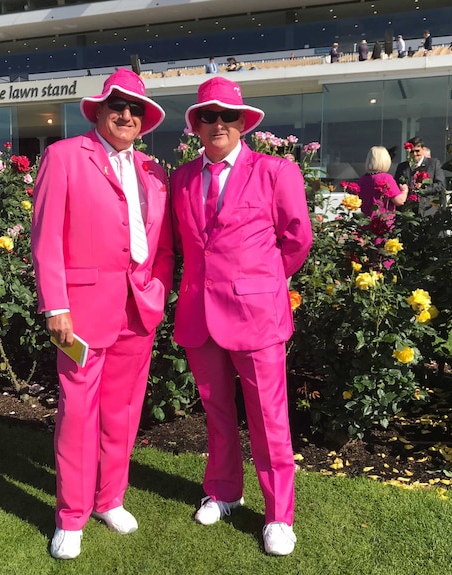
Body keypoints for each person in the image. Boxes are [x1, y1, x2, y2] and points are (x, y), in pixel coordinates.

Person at [31, 68, 173, 561]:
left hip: (139, 309)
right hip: (80, 313)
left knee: (123, 413)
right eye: (118, 105)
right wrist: (56, 304)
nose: (126, 115)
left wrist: (157, 288)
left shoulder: (155, 172)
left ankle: (109, 497)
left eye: (136, 109)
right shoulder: (65, 156)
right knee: (76, 414)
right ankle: (70, 515)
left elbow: (165, 248)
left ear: (145, 120)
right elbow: (46, 238)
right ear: (100, 110)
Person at [169, 76, 313, 557]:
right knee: (216, 413)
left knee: (270, 419)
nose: (217, 124)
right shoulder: (183, 177)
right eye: (207, 116)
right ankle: (225, 491)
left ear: (243, 122)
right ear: (196, 125)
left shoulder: (276, 171)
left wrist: (264, 280)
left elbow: (297, 240)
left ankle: (279, 516)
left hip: (257, 315)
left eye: (226, 115)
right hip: (199, 312)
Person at [394, 136, 446, 212]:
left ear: (423, 149)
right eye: (412, 151)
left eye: (417, 151)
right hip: (408, 209)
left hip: (427, 209)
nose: (414, 154)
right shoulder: (402, 167)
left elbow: (441, 185)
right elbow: (396, 185)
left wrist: (423, 189)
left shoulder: (433, 164)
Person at [359, 145, 407, 220]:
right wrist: (404, 191)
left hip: (366, 222)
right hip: (382, 223)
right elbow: (399, 201)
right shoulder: (386, 178)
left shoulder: (363, 179)